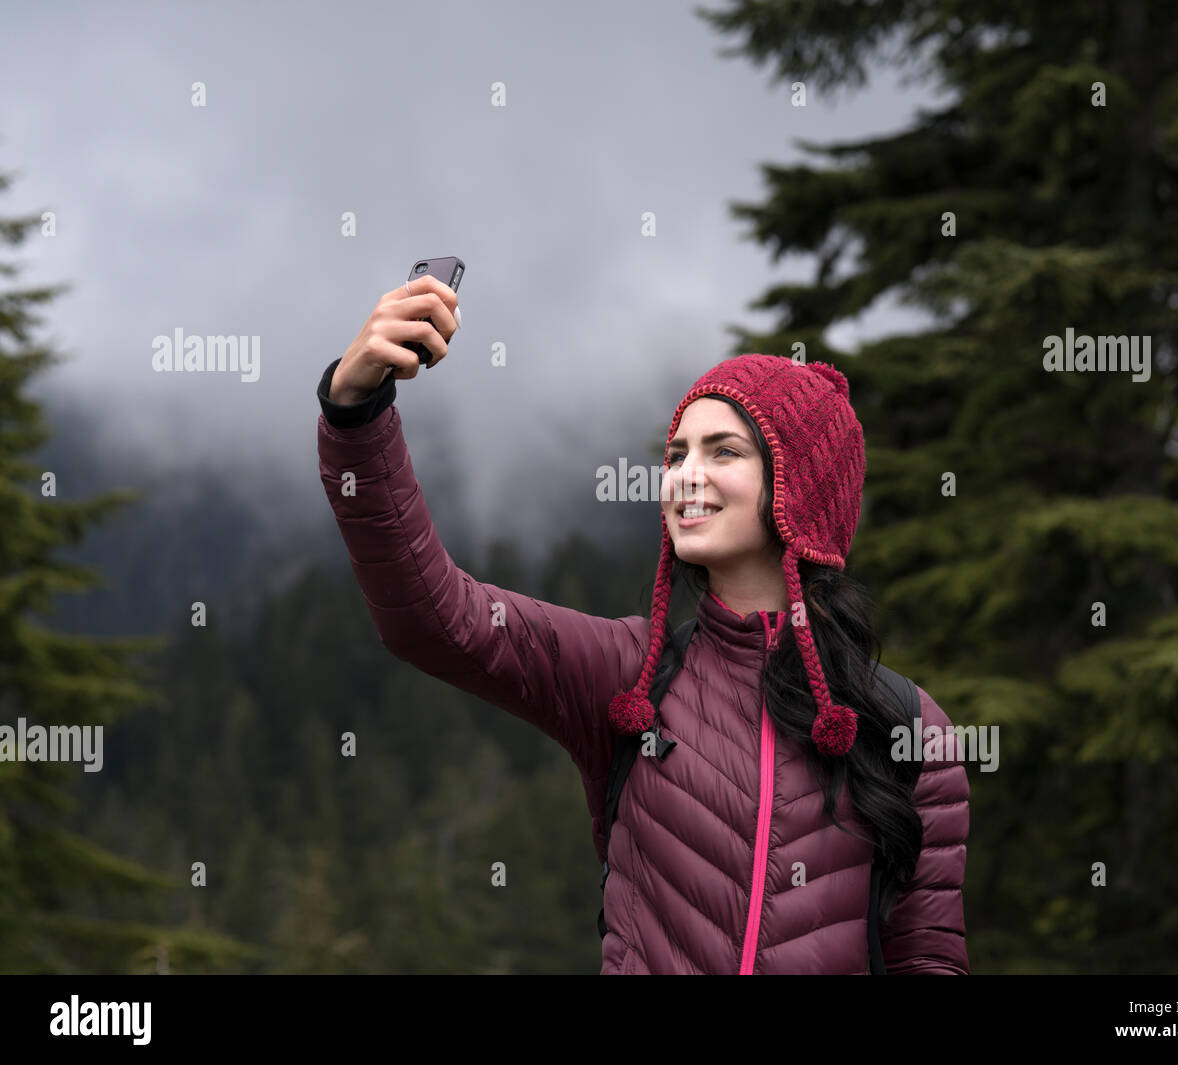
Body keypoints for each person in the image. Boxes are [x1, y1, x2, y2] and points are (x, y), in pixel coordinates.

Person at [316, 274, 970, 974]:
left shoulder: (907, 725)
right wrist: (356, 411)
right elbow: (431, 615)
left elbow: (928, 959)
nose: (686, 475)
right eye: (676, 453)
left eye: (724, 451)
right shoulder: (628, 675)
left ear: (801, 488)